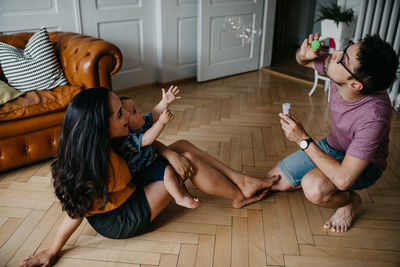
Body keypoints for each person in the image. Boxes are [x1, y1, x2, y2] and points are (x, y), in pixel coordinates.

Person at [20, 87, 279, 267]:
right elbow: (77, 210)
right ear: (100, 127)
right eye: (120, 114)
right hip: (121, 218)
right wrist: (53, 251)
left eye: (123, 108)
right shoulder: (98, 167)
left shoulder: (104, 142)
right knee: (185, 162)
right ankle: (239, 195)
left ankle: (242, 181)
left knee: (183, 145)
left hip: (130, 187)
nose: (127, 117)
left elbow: (141, 146)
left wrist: (168, 150)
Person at [264, 32, 399, 232]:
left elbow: (345, 179)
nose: (334, 52)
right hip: (334, 145)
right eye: (345, 49)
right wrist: (304, 54)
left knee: (314, 187)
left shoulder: (374, 118)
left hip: (365, 167)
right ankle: (322, 175)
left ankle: (350, 203)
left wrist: (302, 139)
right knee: (274, 180)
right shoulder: (339, 70)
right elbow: (302, 61)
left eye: (342, 57)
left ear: (355, 85)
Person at [116, 86, 200, 209]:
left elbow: (154, 114)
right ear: (126, 124)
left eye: (136, 108)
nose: (140, 111)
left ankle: (184, 192)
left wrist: (165, 102)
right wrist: (161, 122)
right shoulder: (127, 139)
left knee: (172, 168)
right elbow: (147, 139)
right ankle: (179, 198)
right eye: (134, 112)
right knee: (167, 172)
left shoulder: (140, 124)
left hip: (151, 160)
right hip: (142, 171)